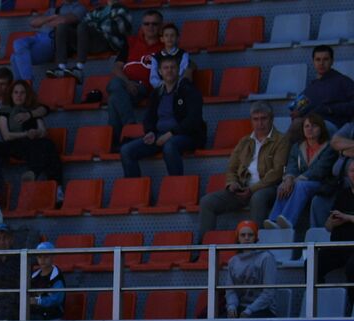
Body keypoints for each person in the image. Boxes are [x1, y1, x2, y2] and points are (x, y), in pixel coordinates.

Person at [198, 102, 289, 236]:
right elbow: (231, 168)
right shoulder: (244, 141)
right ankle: (203, 248)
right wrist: (232, 183)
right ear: (251, 121)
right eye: (256, 119)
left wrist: (252, 189)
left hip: (268, 188)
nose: (260, 123)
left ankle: (255, 247)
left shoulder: (281, 140)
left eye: (263, 118)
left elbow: (277, 172)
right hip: (242, 188)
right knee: (207, 202)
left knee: (257, 198)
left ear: (271, 118)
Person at [120, 54, 204, 179]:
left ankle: (176, 187)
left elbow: (193, 120)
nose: (169, 70)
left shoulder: (188, 90)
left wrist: (170, 134)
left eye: (173, 67)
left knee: (169, 146)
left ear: (178, 70)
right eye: (165, 68)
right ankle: (135, 193)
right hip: (159, 136)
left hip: (186, 135)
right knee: (126, 150)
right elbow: (149, 118)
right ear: (159, 71)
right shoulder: (156, 93)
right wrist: (149, 132)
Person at [265, 114, 338, 232]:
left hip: (323, 184)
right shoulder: (297, 147)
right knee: (283, 186)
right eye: (306, 126)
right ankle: (273, 220)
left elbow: (319, 170)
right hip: (301, 183)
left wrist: (294, 181)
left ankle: (288, 220)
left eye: (314, 126)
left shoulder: (329, 147)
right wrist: (288, 179)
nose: (309, 129)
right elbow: (292, 167)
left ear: (321, 128)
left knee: (299, 185)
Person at [106, 7, 162, 149]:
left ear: (160, 26)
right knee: (115, 89)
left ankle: (117, 140)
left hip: (144, 87)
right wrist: (128, 82)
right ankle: (130, 126)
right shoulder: (131, 42)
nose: (150, 27)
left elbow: (184, 60)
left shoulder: (165, 45)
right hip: (126, 84)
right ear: (142, 26)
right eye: (146, 24)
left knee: (114, 96)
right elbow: (116, 67)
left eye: (154, 24)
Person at [0, 79, 62, 185]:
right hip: (14, 143)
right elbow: (6, 136)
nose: (19, 96)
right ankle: (55, 185)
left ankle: (36, 174)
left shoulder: (32, 111)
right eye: (16, 92)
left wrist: (36, 132)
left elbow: (43, 131)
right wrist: (26, 134)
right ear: (11, 94)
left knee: (48, 144)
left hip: (33, 142)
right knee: (44, 148)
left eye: (22, 93)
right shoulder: (4, 111)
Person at [11, 2, 83, 85]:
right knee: (17, 43)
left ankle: (25, 84)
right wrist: (50, 18)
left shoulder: (79, 8)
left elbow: (64, 20)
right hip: (38, 38)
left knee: (14, 57)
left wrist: (47, 20)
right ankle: (24, 85)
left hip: (52, 42)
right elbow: (33, 23)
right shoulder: (54, 10)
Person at [318, 158, 354, 315]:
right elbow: (327, 227)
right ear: (347, 174)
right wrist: (332, 222)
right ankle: (320, 306)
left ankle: (350, 309)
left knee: (352, 267)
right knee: (313, 263)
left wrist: (347, 218)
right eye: (353, 171)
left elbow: (346, 217)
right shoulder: (342, 195)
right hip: (338, 247)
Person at [291, 46, 354, 132]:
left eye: (325, 59)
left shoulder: (343, 81)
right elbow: (295, 108)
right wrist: (296, 112)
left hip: (332, 124)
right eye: (318, 60)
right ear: (313, 62)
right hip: (310, 123)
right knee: (297, 123)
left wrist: (331, 109)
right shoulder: (312, 87)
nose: (321, 63)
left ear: (332, 61)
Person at [223, 221, 278, 318]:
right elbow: (230, 291)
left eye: (250, 235)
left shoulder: (266, 258)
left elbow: (268, 293)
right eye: (243, 235)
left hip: (263, 309)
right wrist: (231, 306)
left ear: (256, 237)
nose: (247, 238)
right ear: (238, 238)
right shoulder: (233, 261)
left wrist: (250, 310)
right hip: (240, 307)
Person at [148, 23, 193, 90]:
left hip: (178, 87)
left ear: (178, 38)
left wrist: (173, 84)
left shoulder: (183, 54)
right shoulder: (156, 57)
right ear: (162, 39)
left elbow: (182, 72)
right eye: (166, 35)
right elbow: (153, 78)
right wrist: (163, 85)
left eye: (172, 35)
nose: (169, 38)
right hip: (162, 88)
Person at [27, 241, 65, 320]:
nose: (42, 260)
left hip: (53, 317)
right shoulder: (34, 276)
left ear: (53, 256)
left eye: (46, 256)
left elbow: (57, 299)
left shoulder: (57, 277)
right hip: (36, 316)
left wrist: (38, 301)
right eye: (39, 256)